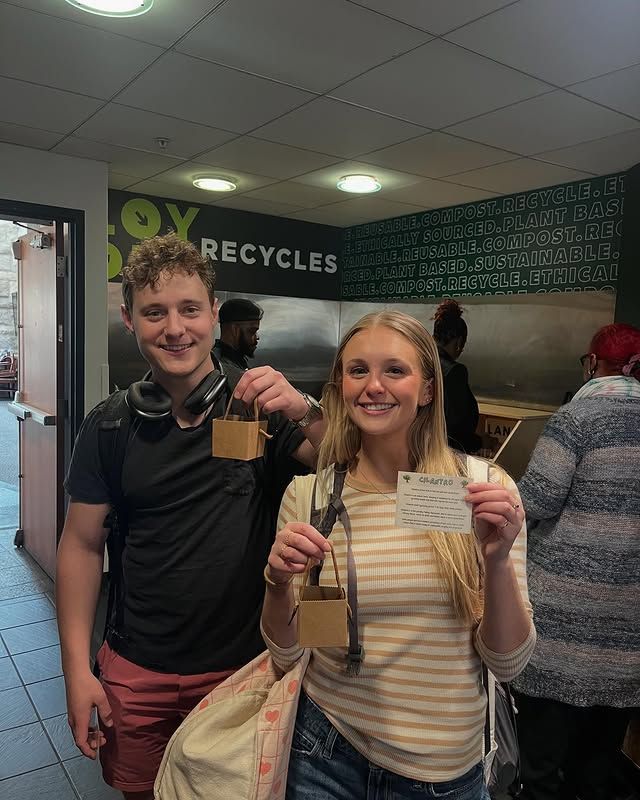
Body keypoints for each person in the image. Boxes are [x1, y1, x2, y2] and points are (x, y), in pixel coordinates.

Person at [56, 232, 325, 800]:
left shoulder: (258, 410)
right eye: (154, 312)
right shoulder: (108, 426)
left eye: (189, 309)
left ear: (212, 314)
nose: (174, 328)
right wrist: (76, 671)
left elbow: (349, 465)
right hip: (136, 669)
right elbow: (81, 546)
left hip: (240, 671)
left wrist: (307, 408)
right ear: (130, 320)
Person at [261, 310, 536, 800]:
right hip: (323, 753)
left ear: (428, 389)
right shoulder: (308, 497)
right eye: (358, 370)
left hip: (443, 769)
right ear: (341, 384)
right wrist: (277, 584)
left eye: (395, 370)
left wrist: (496, 562)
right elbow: (287, 655)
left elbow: (509, 662)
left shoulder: (482, 489)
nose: (373, 386)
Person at [512, 322, 640, 800]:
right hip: (628, 627)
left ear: (593, 362)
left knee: (542, 769)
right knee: (597, 771)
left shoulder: (576, 418)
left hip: (565, 621)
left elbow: (538, 500)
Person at [433, 299, 482, 453]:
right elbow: (453, 432)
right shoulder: (455, 371)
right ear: (459, 342)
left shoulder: (420, 362)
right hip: (446, 455)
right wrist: (481, 442)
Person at [213, 296, 263, 370]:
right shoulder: (220, 367)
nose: (257, 337)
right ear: (234, 329)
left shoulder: (233, 360)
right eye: (252, 331)